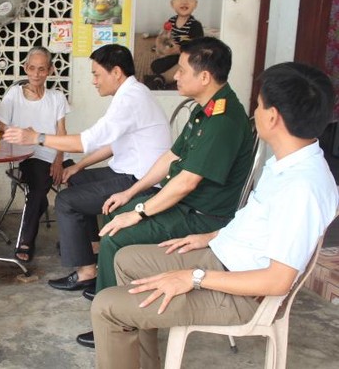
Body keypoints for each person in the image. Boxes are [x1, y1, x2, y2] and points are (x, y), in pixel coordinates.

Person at [91, 62, 338, 369]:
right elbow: (261, 226)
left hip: (242, 293)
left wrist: (194, 277)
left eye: (259, 105)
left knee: (105, 306)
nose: (255, 112)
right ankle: (143, 361)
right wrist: (210, 237)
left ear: (272, 117)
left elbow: (277, 281)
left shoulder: (302, 187)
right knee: (126, 259)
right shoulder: (291, 163)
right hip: (225, 258)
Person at [74, 36, 255, 349]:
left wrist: (140, 211)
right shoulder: (206, 110)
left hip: (202, 216)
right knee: (115, 213)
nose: (176, 75)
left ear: (205, 77)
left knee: (116, 235)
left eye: (182, 69)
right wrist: (132, 193)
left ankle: (115, 322)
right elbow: (170, 158)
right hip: (187, 205)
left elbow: (186, 182)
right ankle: (116, 302)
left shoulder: (223, 119)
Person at [3, 44, 171, 291]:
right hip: (130, 171)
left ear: (115, 72)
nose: (94, 81)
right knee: (77, 180)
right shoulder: (132, 93)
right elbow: (113, 143)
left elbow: (86, 140)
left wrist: (37, 137)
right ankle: (92, 247)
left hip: (140, 180)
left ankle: (85, 273)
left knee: (67, 201)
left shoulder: (130, 99)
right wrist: (79, 166)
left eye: (96, 74)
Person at [0, 47, 73, 262]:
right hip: (28, 155)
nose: (36, 74)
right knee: (38, 187)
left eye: (42, 69)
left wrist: (59, 161)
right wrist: (16, 135)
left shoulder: (57, 97)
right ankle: (26, 241)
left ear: (50, 71)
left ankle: (81, 242)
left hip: (56, 152)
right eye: (32, 68)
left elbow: (62, 133)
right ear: (25, 68)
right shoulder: (14, 95)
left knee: (81, 183)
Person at [145, 0, 203, 90]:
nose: (185, 2)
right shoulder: (171, 22)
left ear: (195, 4)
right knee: (155, 65)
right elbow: (165, 38)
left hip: (187, 57)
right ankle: (169, 75)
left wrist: (180, 50)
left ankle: (162, 79)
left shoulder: (195, 25)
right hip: (173, 57)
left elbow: (197, 47)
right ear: (172, 4)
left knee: (186, 65)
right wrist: (161, 43)